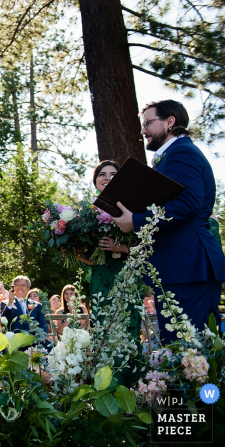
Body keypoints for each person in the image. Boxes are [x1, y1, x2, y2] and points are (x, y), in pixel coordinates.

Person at [113, 100, 225, 342]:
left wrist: (137, 220)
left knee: (184, 351)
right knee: (193, 352)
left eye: (148, 124)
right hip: (183, 266)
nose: (143, 131)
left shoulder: (182, 152)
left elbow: (189, 203)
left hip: (188, 265)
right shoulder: (174, 154)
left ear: (170, 122)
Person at [76, 160, 142, 346]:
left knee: (126, 326)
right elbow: (94, 259)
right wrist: (77, 254)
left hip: (125, 276)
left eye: (113, 175)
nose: (107, 178)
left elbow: (147, 243)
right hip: (100, 278)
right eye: (102, 175)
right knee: (103, 328)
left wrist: (121, 247)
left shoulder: (132, 207)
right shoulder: (88, 212)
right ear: (95, 181)